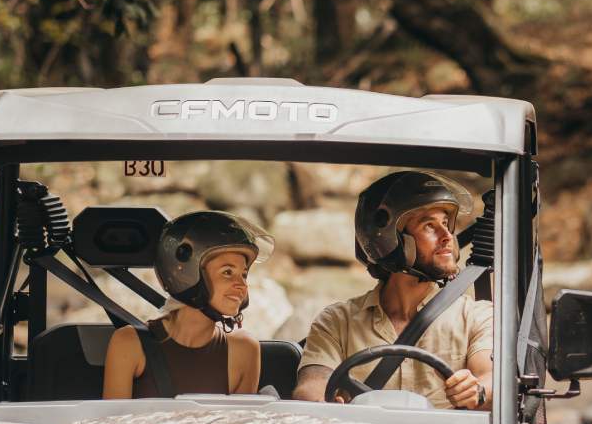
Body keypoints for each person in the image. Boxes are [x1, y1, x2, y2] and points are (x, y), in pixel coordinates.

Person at [293, 171, 493, 410]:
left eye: (446, 223)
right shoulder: (337, 321)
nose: (447, 236)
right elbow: (312, 384)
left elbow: (491, 378)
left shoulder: (477, 316)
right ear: (389, 239)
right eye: (430, 225)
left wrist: (477, 390)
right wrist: (321, 400)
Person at [102, 211, 269, 399]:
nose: (242, 285)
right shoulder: (128, 343)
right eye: (228, 272)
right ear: (187, 274)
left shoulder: (245, 350)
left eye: (244, 274)